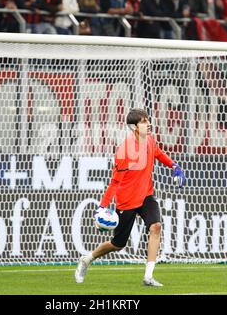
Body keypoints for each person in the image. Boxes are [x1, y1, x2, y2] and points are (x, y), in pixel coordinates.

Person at [74, 108, 185, 287]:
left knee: (156, 226)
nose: (148, 123)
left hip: (146, 195)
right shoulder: (124, 151)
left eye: (147, 120)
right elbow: (114, 182)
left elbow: (158, 153)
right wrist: (103, 206)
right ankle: (87, 259)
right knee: (118, 244)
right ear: (134, 127)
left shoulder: (149, 140)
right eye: (143, 121)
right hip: (126, 200)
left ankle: (148, 277)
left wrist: (174, 165)